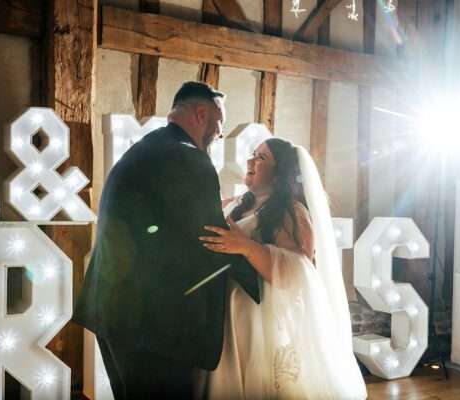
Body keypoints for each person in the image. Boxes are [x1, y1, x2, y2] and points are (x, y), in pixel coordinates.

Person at [72, 82, 261, 399]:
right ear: (201, 114)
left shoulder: (147, 147)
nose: (218, 134)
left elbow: (167, 222)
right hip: (154, 326)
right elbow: (213, 238)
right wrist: (263, 278)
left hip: (115, 314)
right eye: (219, 125)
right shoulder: (189, 158)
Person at [199, 138, 367, 399]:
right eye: (253, 155)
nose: (250, 161)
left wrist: (246, 246)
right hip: (223, 316)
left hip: (258, 321)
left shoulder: (293, 213)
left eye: (261, 158)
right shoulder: (235, 204)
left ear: (280, 173)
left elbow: (299, 272)